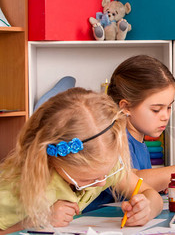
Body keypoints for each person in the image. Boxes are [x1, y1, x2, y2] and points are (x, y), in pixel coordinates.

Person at [0, 88, 163, 233]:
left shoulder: (102, 168)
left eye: (105, 174)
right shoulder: (18, 188)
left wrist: (147, 208)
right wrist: (39, 220)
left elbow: (150, 194)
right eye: (88, 179)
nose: (101, 183)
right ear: (55, 159)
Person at [85, 55, 175, 212]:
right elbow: (135, 179)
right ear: (126, 107)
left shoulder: (138, 139)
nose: (165, 116)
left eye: (169, 107)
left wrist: (159, 183)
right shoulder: (112, 139)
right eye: (156, 109)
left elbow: (143, 184)